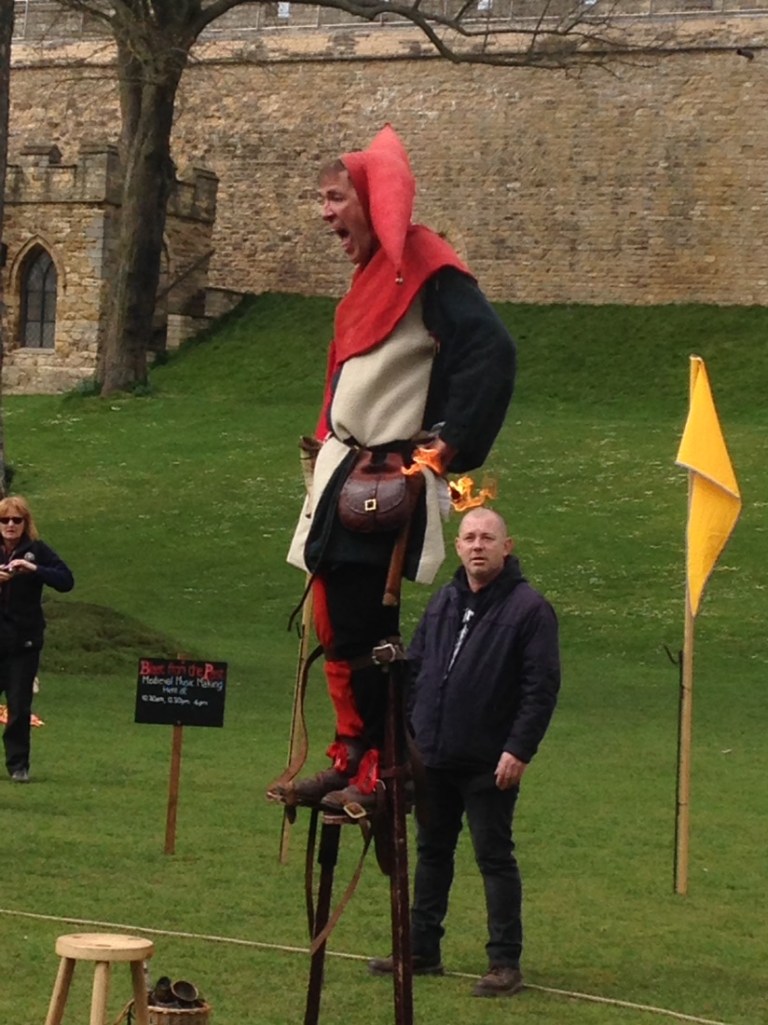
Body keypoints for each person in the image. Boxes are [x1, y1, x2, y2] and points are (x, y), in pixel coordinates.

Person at [282, 125, 516, 810]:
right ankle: (351, 752)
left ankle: (384, 766)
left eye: (335, 197)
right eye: (321, 199)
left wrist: (447, 444)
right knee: (334, 618)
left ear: (369, 197)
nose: (325, 212)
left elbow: (491, 351)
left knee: (365, 626)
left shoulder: (427, 264)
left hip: (384, 479)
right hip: (343, 472)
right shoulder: (371, 278)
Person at [369, 507, 560, 997]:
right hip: (433, 755)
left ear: (506, 547)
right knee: (432, 852)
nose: (477, 545)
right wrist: (408, 732)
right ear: (457, 547)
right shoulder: (444, 601)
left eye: (487, 538)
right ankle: (421, 949)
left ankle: (504, 962)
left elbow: (540, 688)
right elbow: (417, 668)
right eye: (469, 537)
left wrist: (518, 749)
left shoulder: (529, 610)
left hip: (489, 761)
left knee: (493, 857)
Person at [0, 495, 74, 782]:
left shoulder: (37, 550)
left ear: (25, 523)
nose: (10, 525)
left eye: (16, 520)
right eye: (4, 520)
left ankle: (18, 766)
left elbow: (66, 581)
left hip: (24, 641)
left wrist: (34, 570)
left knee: (19, 707)